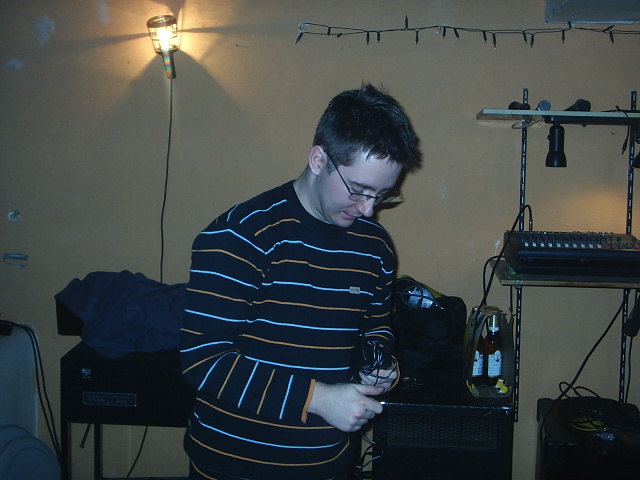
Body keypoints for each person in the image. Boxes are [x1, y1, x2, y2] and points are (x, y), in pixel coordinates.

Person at [180, 83, 422, 480]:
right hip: (233, 466)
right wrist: (318, 398)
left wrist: (381, 363)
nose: (368, 210)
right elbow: (203, 360)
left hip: (329, 464)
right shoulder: (241, 235)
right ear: (318, 159)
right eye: (359, 190)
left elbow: (375, 326)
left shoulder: (375, 246)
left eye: (382, 195)